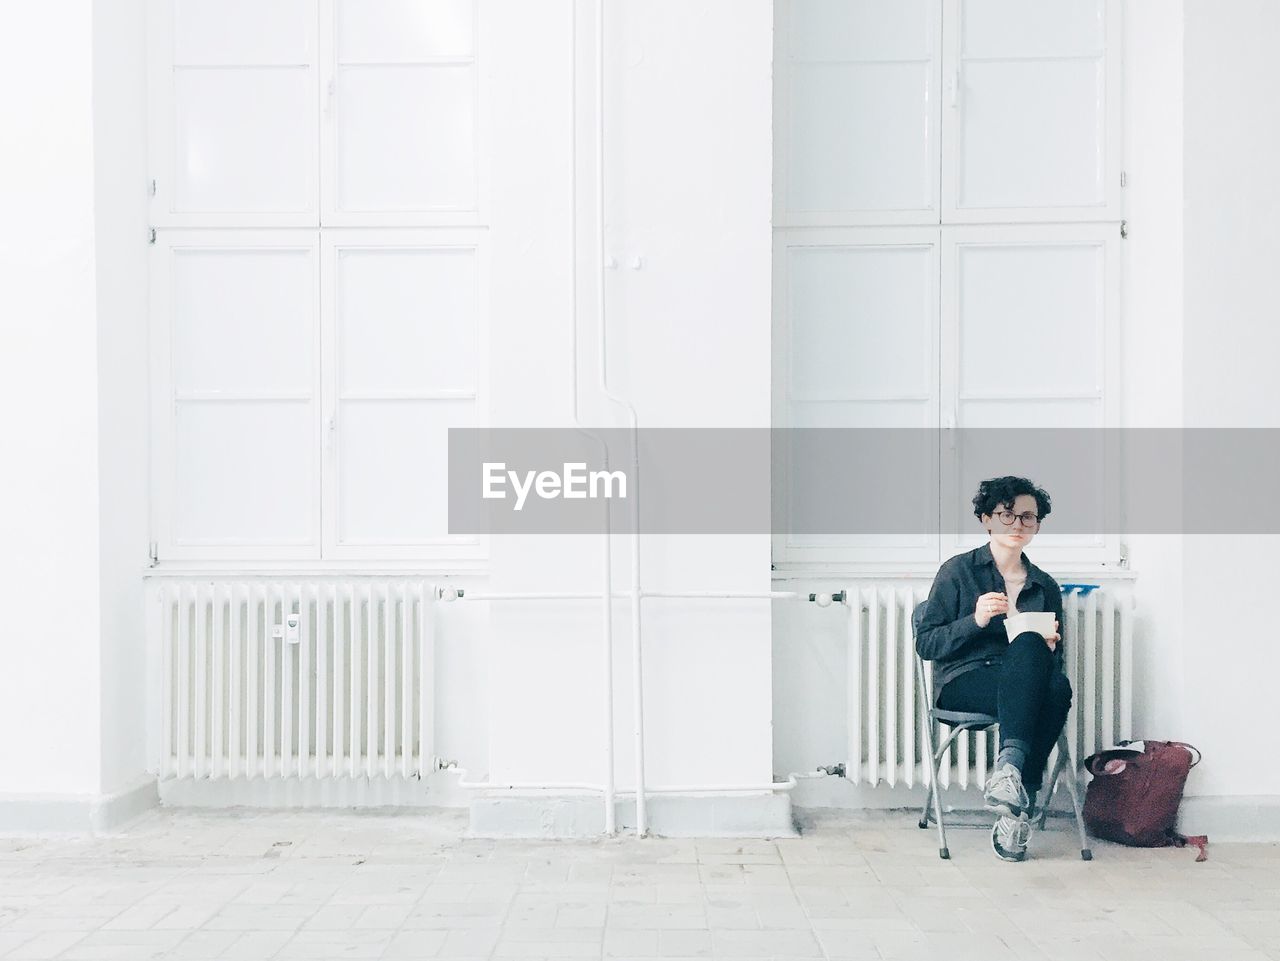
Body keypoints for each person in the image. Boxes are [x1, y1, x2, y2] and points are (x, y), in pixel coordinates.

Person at [915, 475, 1072, 862]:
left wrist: (1048, 646)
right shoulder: (958, 572)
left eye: (1028, 518)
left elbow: (1052, 664)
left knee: (1055, 683)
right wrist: (976, 620)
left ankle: (1010, 783)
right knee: (1050, 690)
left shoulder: (1044, 585)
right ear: (987, 519)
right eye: (1007, 515)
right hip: (965, 681)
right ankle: (1023, 798)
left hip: (1023, 684)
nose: (1017, 524)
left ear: (1037, 526)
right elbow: (927, 644)